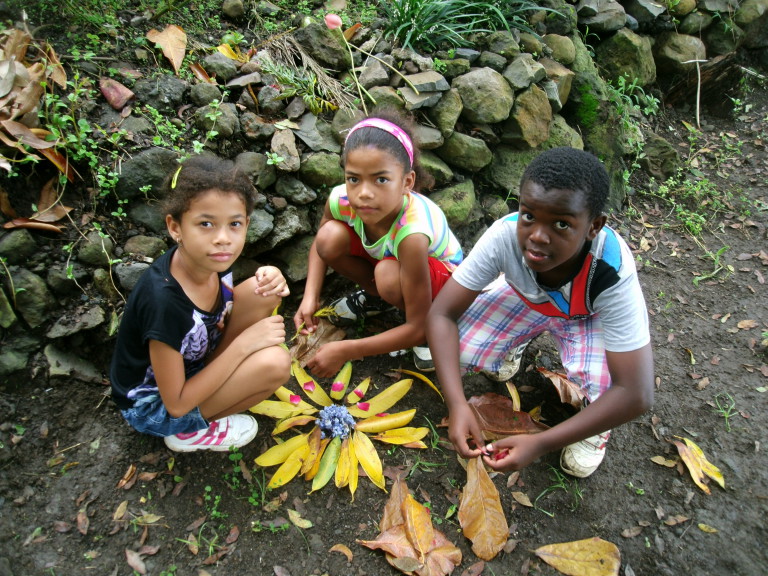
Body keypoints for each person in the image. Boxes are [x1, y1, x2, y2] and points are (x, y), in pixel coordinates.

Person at [426, 147, 654, 478]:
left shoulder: (610, 269)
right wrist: (457, 403)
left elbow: (637, 391)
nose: (537, 236)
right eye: (529, 216)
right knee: (458, 342)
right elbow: (442, 315)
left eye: (562, 223)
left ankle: (594, 424)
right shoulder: (504, 236)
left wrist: (542, 442)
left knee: (613, 382)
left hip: (587, 317)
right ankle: (513, 344)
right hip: (530, 300)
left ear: (594, 226)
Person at [110, 155, 291, 452]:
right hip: (156, 406)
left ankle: (214, 389)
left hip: (194, 360)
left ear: (246, 224)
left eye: (234, 224)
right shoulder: (164, 303)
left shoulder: (207, 260)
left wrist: (273, 276)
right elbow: (177, 403)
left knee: (264, 290)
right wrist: (244, 345)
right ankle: (189, 433)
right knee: (275, 363)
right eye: (206, 223)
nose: (223, 239)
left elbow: (217, 311)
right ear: (175, 227)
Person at [293, 109, 463, 378]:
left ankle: (430, 335)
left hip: (443, 283)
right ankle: (378, 299)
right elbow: (320, 243)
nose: (364, 193)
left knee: (387, 276)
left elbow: (417, 325)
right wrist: (310, 296)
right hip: (393, 263)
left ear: (407, 182)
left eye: (381, 179)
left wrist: (346, 349)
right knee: (329, 237)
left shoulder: (413, 233)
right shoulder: (342, 200)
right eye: (353, 179)